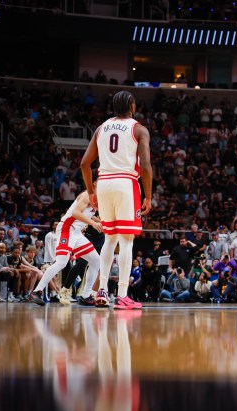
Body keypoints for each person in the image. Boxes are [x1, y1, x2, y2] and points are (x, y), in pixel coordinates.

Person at [80, 90, 153, 310]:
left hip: (103, 184)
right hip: (125, 184)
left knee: (110, 239)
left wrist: (90, 192)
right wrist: (148, 196)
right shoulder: (139, 129)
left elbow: (84, 163)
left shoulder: (101, 128)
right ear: (131, 105)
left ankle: (101, 291)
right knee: (127, 240)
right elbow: (147, 166)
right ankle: (122, 295)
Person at [29, 186, 103, 306]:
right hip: (67, 229)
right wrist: (93, 223)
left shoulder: (99, 198)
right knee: (61, 263)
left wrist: (99, 222)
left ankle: (85, 295)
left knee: (95, 260)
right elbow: (75, 213)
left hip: (77, 233)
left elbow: (87, 215)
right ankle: (36, 291)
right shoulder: (87, 195)